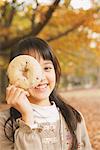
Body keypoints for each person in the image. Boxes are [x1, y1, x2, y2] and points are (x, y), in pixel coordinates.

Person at [0, 37, 92, 150]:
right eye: (28, 71)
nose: (41, 77)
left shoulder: (74, 117)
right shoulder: (4, 123)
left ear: (56, 71)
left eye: (47, 68)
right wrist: (27, 117)